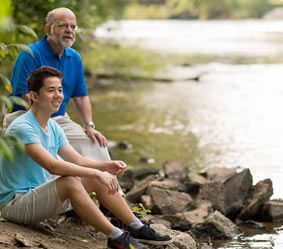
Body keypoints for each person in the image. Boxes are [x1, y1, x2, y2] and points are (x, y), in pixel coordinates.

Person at [0, 66, 173, 249]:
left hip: (39, 196)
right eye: (51, 90)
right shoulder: (23, 128)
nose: (58, 95)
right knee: (71, 181)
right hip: (15, 204)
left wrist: (106, 166)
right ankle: (117, 238)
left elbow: (78, 160)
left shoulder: (52, 125)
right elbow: (53, 166)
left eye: (60, 90)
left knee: (97, 178)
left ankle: (136, 227)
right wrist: (96, 173)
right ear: (34, 96)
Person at [5, 7, 110, 165]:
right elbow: (26, 97)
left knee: (96, 144)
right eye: (63, 26)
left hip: (58, 119)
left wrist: (89, 126)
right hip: (25, 117)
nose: (69, 30)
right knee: (56, 158)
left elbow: (80, 97)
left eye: (73, 27)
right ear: (49, 28)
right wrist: (48, 129)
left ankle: (109, 188)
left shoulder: (74, 58)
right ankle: (70, 187)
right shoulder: (30, 54)